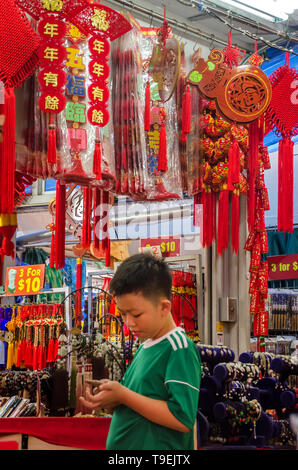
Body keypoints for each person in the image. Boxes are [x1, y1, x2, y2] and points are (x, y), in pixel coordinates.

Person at [79, 253, 202, 450]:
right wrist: (111, 397)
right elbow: (139, 400)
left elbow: (182, 418)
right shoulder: (145, 346)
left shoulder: (179, 348)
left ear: (164, 307)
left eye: (136, 314)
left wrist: (124, 396)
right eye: (123, 314)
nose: (128, 322)